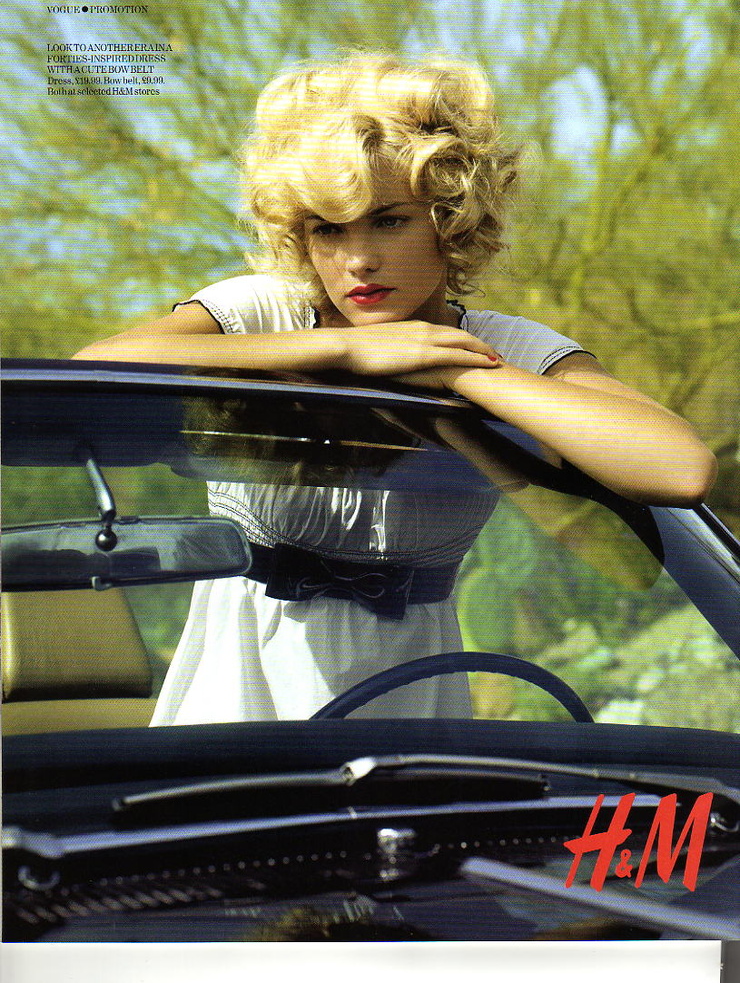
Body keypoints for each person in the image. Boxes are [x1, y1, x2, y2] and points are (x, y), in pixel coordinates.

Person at [75, 53, 716, 725]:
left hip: (419, 703)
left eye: (388, 219)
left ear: (449, 217)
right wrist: (346, 349)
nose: (358, 260)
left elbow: (680, 468)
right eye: (327, 228)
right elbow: (95, 369)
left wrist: (453, 369)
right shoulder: (263, 312)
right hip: (240, 704)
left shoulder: (506, 346)